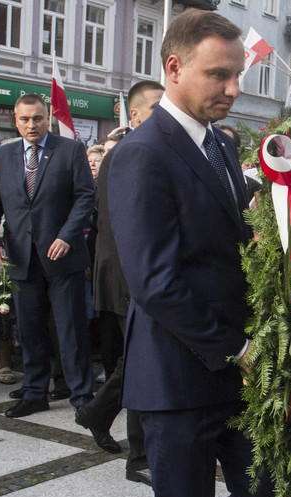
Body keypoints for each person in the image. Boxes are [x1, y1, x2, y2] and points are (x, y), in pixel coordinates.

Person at [107, 11, 278, 497]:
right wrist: (235, 347)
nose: (232, 87)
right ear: (174, 68)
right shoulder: (142, 153)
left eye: (236, 74)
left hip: (232, 368)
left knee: (263, 492)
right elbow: (154, 281)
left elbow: (229, 249)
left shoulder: (222, 145)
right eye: (218, 74)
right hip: (179, 375)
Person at [0, 93, 97, 418]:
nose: (31, 125)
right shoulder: (3, 155)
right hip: (19, 256)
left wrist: (67, 235)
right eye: (24, 119)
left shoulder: (70, 150)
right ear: (15, 120)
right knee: (29, 329)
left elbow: (86, 197)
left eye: (37, 118)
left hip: (63, 256)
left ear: (48, 118)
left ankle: (81, 396)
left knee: (70, 329)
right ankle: (34, 392)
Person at [76, 78, 165, 473]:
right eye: (158, 108)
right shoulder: (132, 150)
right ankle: (137, 452)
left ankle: (101, 417)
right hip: (128, 273)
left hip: (129, 270)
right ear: (136, 113)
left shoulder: (142, 146)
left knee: (137, 359)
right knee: (139, 360)